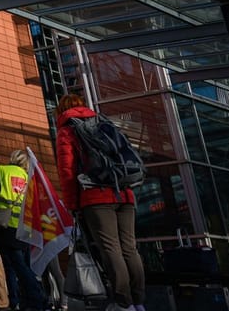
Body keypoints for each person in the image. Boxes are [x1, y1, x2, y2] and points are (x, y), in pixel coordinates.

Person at [56, 94, 145, 311]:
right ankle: (139, 302)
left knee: (110, 248)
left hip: (95, 197)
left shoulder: (67, 131)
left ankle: (123, 303)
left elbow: (67, 172)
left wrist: (72, 204)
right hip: (124, 193)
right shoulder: (103, 123)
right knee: (129, 248)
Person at [0, 149, 48, 311]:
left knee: (15, 266)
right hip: (25, 228)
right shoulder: (29, 178)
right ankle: (27, 300)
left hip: (5, 227)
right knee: (22, 265)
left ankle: (36, 298)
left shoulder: (2, 171)